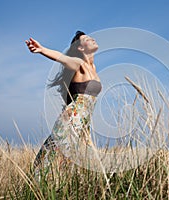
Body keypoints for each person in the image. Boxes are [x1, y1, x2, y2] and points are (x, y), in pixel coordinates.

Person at [25, 31, 102, 172]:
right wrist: (42, 50)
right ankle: (36, 189)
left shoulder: (94, 68)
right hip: (71, 121)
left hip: (83, 126)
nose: (93, 39)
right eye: (87, 39)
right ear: (80, 48)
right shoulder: (79, 63)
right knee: (51, 158)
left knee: (85, 165)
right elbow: (61, 57)